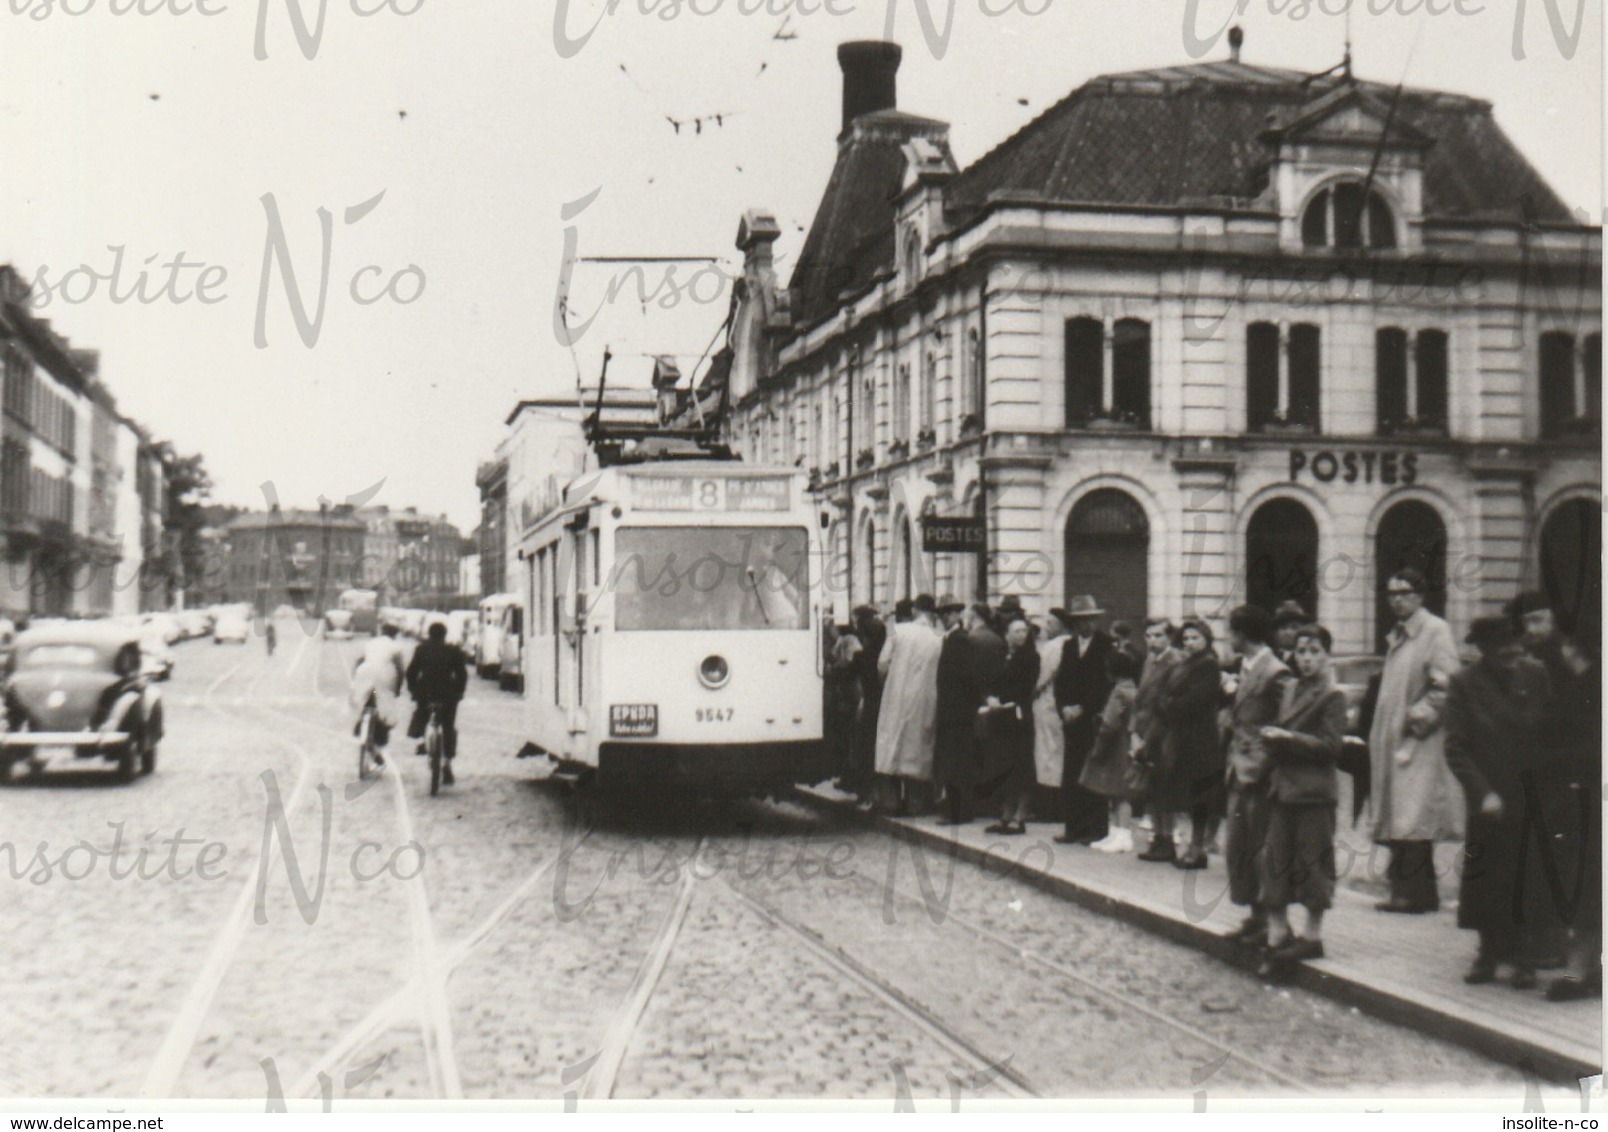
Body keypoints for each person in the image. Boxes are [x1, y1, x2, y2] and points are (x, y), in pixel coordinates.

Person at [1443, 615, 1552, 989]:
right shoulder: (1464, 684)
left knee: (1527, 876)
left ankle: (1524, 958)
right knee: (1487, 877)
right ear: (1484, 649)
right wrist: (1481, 792)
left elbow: (1550, 731)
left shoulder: (1535, 676)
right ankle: (1487, 952)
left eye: (1515, 643)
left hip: (1529, 793)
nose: (1511, 651)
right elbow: (1455, 747)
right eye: (1501, 646)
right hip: (1488, 796)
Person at [1369, 567, 1463, 914]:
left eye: (1405, 592)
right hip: (1394, 739)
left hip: (1418, 740)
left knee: (1413, 815)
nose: (1397, 600)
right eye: (1392, 593)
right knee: (1400, 813)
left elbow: (1447, 683)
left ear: (1420, 595)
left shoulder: (1435, 631)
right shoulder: (1397, 635)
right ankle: (1411, 892)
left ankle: (1413, 893)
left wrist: (1417, 719)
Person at [1257, 623, 1348, 977]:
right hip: (1283, 788)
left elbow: (1331, 747)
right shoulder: (1290, 689)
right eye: (1301, 652)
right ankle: (1278, 934)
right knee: (1275, 860)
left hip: (1313, 793)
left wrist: (1287, 737)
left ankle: (1312, 935)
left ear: (1327, 656)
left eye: (1314, 652)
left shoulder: (1332, 695)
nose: (1306, 659)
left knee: (1313, 863)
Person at [1223, 604, 1294, 945]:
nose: (1226, 638)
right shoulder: (1247, 667)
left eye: (1230, 632)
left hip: (1260, 774)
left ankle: (1270, 919)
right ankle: (1254, 914)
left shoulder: (1275, 671)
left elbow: (1283, 723)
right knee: (1240, 847)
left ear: (1241, 634)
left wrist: (1262, 763)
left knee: (1262, 848)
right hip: (1239, 769)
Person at [1545, 616, 1601, 1001]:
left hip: (1586, 794)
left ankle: (1580, 970)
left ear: (1570, 648)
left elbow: (1583, 744)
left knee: (1585, 881)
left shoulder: (1587, 687)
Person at [1142, 618, 1223, 866]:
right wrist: (1167, 704)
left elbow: (1195, 701)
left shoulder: (1208, 666)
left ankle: (1197, 849)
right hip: (1181, 737)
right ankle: (1192, 848)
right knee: (1188, 796)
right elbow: (1160, 695)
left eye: (1195, 638)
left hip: (1201, 738)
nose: (1189, 642)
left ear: (1206, 640)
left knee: (1200, 797)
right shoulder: (1184, 664)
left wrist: (1168, 705)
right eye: (1186, 638)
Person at [875, 593, 944, 815]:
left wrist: (886, 684)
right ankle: (915, 803)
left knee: (891, 744)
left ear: (914, 610)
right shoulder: (938, 638)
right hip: (925, 697)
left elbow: (883, 663)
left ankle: (891, 802)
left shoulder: (899, 631)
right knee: (918, 747)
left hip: (896, 695)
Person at [1054, 596, 1115, 845]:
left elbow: (1105, 684)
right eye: (1081, 621)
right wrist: (1064, 708)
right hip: (1071, 721)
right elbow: (1061, 682)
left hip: (1092, 719)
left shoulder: (1106, 645)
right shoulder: (1069, 646)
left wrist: (1084, 708)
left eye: (1090, 620)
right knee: (1071, 773)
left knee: (1093, 773)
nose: (1086, 625)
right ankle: (1073, 827)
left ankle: (1096, 828)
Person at [1079, 648, 1142, 852]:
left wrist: (1098, 747)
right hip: (1125, 741)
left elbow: (1110, 724)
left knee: (1119, 792)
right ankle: (1116, 833)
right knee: (1118, 792)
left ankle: (1122, 835)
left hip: (1116, 746)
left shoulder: (1119, 693)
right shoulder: (1132, 689)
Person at [982, 614, 1039, 835]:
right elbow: (990, 680)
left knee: (1022, 765)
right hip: (1000, 719)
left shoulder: (1031, 658)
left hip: (1018, 717)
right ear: (1006, 634)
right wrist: (990, 697)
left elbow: (1025, 688)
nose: (1021, 635)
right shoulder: (1000, 655)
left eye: (1024, 631)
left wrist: (1002, 699)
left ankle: (1020, 816)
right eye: (1016, 631)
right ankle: (1005, 814)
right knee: (1003, 765)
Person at [933, 597, 983, 825]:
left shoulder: (960, 640)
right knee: (953, 760)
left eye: (948, 613)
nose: (944, 618)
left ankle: (958, 812)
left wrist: (960, 707)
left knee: (957, 762)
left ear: (957, 615)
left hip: (958, 712)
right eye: (942, 614)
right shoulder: (951, 639)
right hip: (952, 710)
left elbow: (969, 678)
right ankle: (957, 810)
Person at [1130, 618, 1181, 838]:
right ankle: (1158, 831)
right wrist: (1135, 731)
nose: (1153, 641)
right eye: (1149, 636)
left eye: (1158, 635)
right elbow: (1140, 698)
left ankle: (1168, 832)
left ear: (1169, 637)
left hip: (1164, 730)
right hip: (1145, 728)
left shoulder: (1175, 662)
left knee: (1165, 781)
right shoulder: (1149, 661)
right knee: (1151, 781)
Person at [349, 623, 407, 768]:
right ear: (395, 634)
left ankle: (360, 727)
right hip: (385, 675)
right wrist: (397, 689)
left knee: (363, 700)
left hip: (365, 672)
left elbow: (358, 661)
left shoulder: (370, 643)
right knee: (385, 708)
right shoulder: (396, 647)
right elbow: (400, 669)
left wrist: (356, 680)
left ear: (382, 631)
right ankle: (379, 741)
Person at [1033, 611, 1070, 819]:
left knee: (1046, 754)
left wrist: (1034, 691)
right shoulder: (1071, 644)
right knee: (1059, 753)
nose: (1046, 627)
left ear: (1061, 625)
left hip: (1047, 704)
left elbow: (1042, 676)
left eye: (1050, 623)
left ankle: (1049, 807)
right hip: (1059, 706)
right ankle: (1060, 805)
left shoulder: (1052, 647)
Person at [849, 605, 886, 807]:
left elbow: (844, 674)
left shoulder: (861, 657)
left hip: (870, 706)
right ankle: (880, 794)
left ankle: (866, 794)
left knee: (865, 750)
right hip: (886, 705)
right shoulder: (884, 654)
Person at [1271, 601, 1308, 667]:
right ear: (1275, 632)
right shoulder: (1270, 657)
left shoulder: (1307, 659)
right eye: (1283, 627)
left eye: (1294, 627)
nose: (1288, 632)